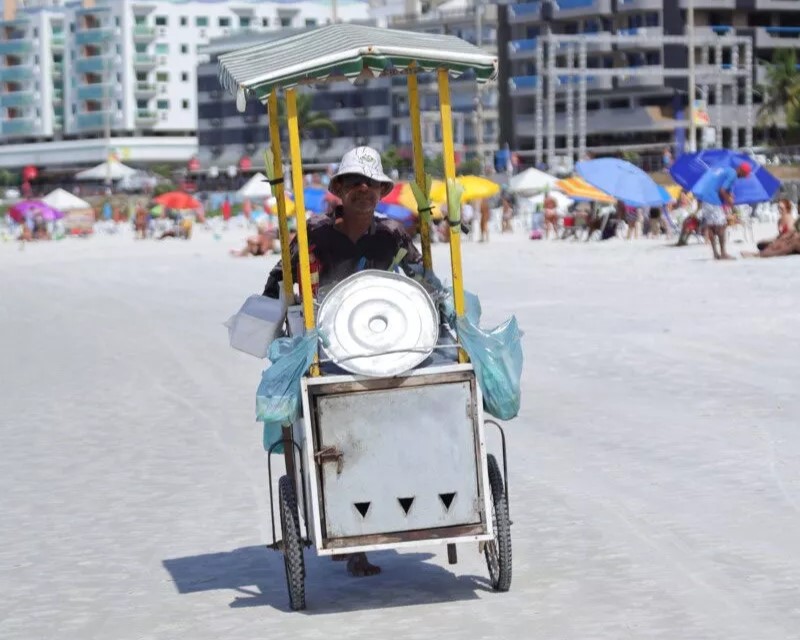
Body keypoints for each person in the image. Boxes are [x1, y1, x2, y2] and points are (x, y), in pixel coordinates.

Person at [262, 148, 425, 578]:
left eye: (371, 184)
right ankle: (348, 535)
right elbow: (278, 280)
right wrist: (274, 318)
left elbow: (425, 281)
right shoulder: (313, 236)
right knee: (341, 441)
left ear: (382, 192)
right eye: (354, 183)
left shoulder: (392, 236)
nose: (364, 191)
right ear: (338, 191)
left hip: (385, 343)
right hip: (326, 352)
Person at [699, 161, 751, 260]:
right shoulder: (733, 175)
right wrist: (730, 202)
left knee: (711, 226)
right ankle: (723, 253)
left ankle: (715, 253)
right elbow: (722, 190)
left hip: (705, 198)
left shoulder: (727, 170)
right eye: (744, 175)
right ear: (740, 171)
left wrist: (729, 195)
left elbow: (723, 187)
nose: (743, 177)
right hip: (713, 200)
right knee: (722, 226)